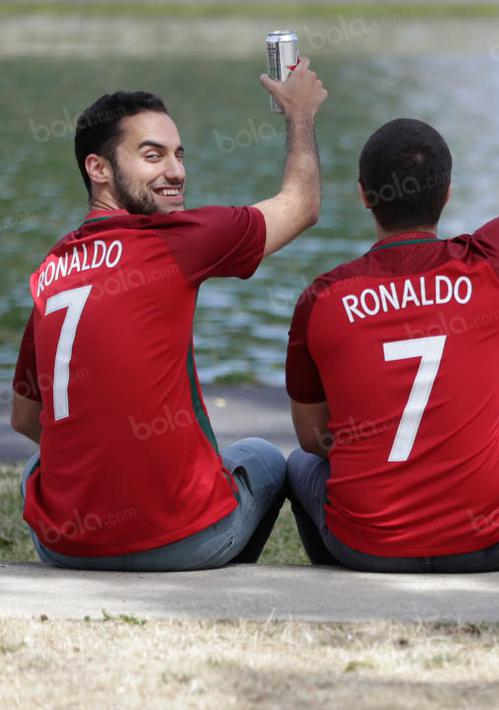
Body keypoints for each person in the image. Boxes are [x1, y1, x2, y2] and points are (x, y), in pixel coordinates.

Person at [282, 39, 499, 573]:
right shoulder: (492, 264)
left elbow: (315, 437)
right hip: (487, 543)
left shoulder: (323, 298)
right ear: (448, 192)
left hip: (363, 547)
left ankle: (340, 574)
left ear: (363, 195)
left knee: (294, 465)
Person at [9, 61, 329, 570]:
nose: (176, 172)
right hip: (179, 541)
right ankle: (207, 565)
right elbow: (303, 203)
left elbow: (25, 418)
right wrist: (300, 114)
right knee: (264, 457)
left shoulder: (53, 269)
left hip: (64, 546)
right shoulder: (177, 239)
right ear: (98, 168)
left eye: (179, 155)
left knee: (35, 467)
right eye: (152, 156)